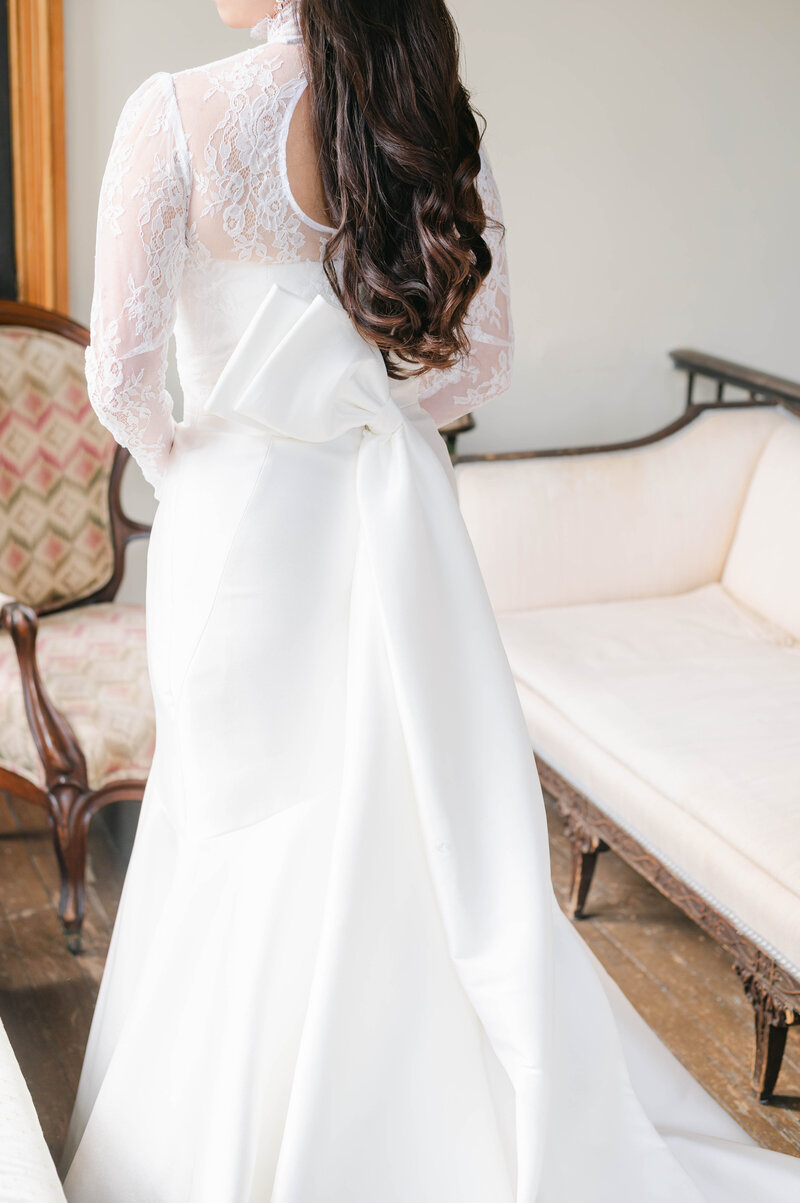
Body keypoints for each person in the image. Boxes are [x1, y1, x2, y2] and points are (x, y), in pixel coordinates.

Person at [60, 1, 800, 1199]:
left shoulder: (174, 116)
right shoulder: (427, 122)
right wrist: (360, 410)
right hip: (381, 512)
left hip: (237, 528)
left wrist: (194, 458)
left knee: (231, 833)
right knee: (392, 834)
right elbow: (479, 369)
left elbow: (120, 378)